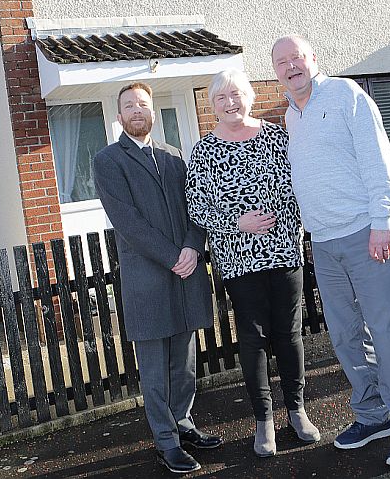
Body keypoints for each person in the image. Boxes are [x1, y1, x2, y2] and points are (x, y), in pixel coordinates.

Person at [271, 36, 390, 469]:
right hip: (323, 242)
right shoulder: (291, 115)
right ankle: (373, 415)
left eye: (297, 58)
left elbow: (377, 157)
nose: (291, 67)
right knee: (345, 336)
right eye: (282, 63)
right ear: (276, 72)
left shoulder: (345, 95)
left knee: (389, 331)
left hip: (367, 233)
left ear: (313, 59)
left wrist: (382, 222)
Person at [185, 68, 320, 458]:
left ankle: (297, 410)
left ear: (250, 97)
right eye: (222, 98)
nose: (231, 103)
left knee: (289, 334)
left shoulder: (277, 137)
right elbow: (197, 206)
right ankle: (264, 421)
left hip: (282, 252)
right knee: (253, 338)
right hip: (237, 259)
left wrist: (281, 219)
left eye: (237, 95)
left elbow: (298, 185)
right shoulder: (204, 150)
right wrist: (237, 222)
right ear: (212, 105)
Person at [93, 81, 222, 475]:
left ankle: (183, 425)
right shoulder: (107, 161)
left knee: (183, 363)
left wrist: (192, 247)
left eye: (143, 104)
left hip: (186, 274)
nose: (136, 110)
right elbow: (129, 223)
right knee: (154, 368)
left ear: (153, 112)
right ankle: (166, 442)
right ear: (119, 117)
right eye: (129, 105)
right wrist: (173, 257)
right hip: (148, 280)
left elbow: (197, 207)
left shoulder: (174, 156)